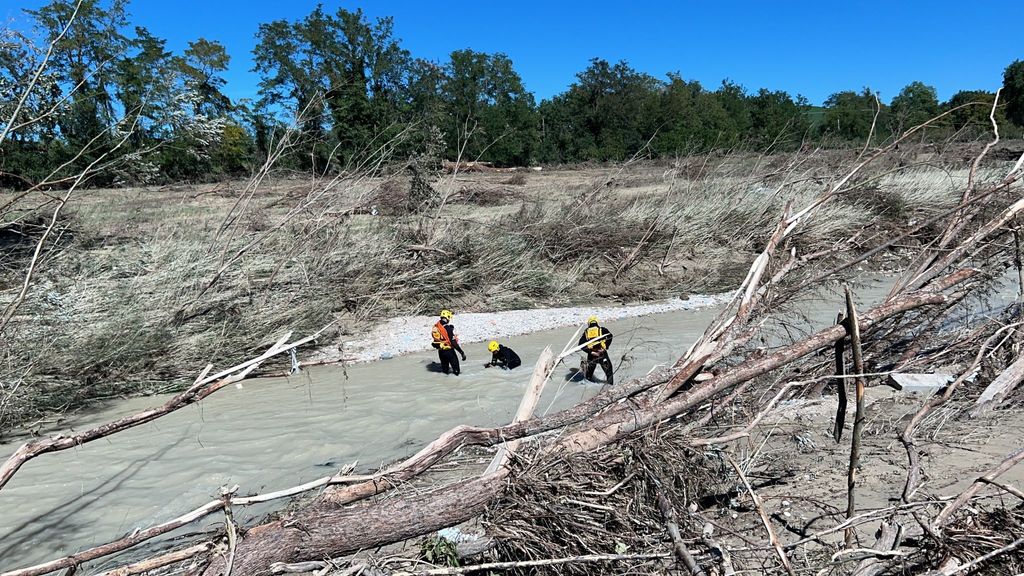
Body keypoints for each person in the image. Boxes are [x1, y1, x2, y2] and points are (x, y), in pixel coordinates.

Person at [578, 315, 614, 385]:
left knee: (588, 378)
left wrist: (591, 352)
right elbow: (610, 336)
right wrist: (605, 347)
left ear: (589, 323)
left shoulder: (586, 332)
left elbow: (581, 344)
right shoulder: (602, 329)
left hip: (592, 356)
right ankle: (610, 387)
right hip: (602, 354)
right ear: (597, 322)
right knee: (609, 373)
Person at [431, 309, 466, 375]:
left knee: (445, 371)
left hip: (441, 351)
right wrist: (462, 352)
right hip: (449, 351)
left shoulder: (436, 326)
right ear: (447, 317)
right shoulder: (448, 328)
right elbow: (453, 343)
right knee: (456, 372)